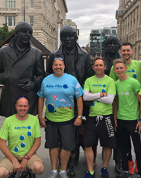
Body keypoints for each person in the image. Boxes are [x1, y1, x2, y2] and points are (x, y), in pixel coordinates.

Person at [46, 25, 93, 176]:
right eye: (64, 36)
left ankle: (71, 164)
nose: (67, 39)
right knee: (58, 135)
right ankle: (59, 163)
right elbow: (48, 76)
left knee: (74, 134)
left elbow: (89, 77)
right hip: (59, 100)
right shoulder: (54, 55)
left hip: (78, 100)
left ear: (76, 38)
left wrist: (84, 95)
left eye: (70, 36)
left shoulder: (84, 56)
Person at [38, 57, 84, 178]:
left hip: (67, 120)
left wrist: (79, 116)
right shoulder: (46, 80)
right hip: (51, 120)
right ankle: (54, 170)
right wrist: (40, 116)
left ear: (64, 66)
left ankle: (63, 170)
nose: (58, 67)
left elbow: (79, 98)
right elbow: (41, 98)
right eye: (55, 65)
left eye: (60, 65)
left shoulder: (72, 80)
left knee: (67, 146)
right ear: (52, 66)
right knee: (52, 145)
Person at [0, 21, 45, 117]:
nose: (27, 35)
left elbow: (41, 75)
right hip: (10, 96)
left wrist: (33, 83)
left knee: (28, 129)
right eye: (24, 32)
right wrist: (7, 78)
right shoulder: (3, 51)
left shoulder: (36, 53)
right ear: (16, 33)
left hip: (28, 95)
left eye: (29, 33)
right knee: (11, 129)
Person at [109, 42, 141, 174]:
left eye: (121, 68)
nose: (119, 70)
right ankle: (125, 169)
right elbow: (115, 101)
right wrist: (115, 117)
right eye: (117, 69)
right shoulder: (115, 83)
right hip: (121, 119)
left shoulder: (134, 82)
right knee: (123, 147)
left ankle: (140, 171)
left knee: (138, 147)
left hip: (134, 119)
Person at [83, 57, 116, 178]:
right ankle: (90, 170)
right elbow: (85, 97)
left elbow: (110, 100)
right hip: (92, 117)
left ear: (105, 67)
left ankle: (104, 168)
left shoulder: (110, 81)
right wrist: (101, 94)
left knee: (107, 145)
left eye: (100, 65)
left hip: (107, 117)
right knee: (87, 145)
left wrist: (93, 95)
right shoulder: (88, 80)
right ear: (93, 67)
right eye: (96, 65)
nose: (98, 67)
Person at [0, 97, 44, 178]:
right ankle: (13, 171)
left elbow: (37, 142)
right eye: (20, 106)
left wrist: (26, 158)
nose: (22, 108)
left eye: (25, 106)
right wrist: (14, 160)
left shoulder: (34, 120)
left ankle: (29, 170)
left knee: (39, 168)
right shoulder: (8, 121)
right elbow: (1, 144)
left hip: (29, 155)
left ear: (28, 107)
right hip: (13, 155)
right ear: (16, 106)